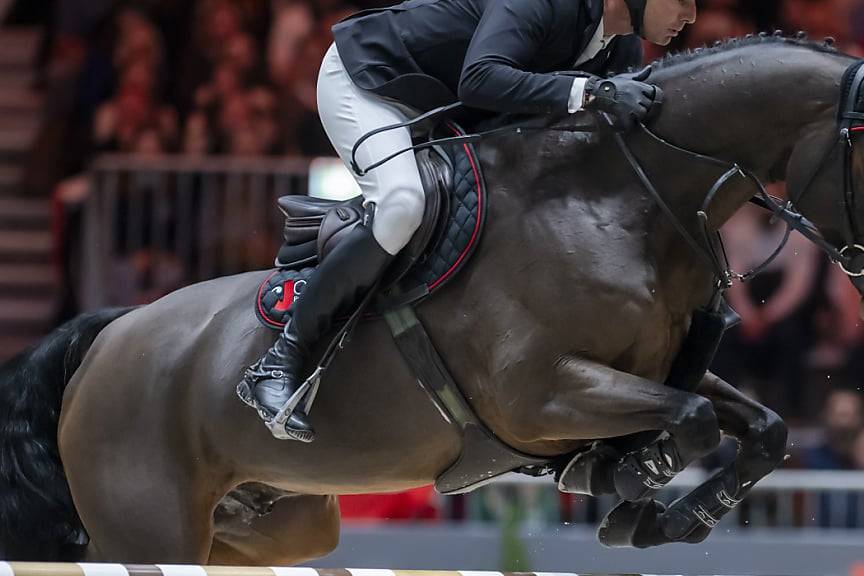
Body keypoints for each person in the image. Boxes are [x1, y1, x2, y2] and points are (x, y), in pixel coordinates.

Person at [238, 0, 696, 442]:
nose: (691, 14)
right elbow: (479, 78)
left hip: (441, 107)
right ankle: (283, 360)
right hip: (372, 83)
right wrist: (592, 92)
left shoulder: (620, 49)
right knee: (402, 205)